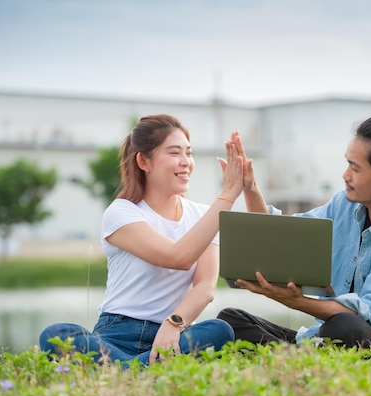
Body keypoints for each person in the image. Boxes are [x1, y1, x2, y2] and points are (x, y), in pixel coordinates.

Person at [217, 114, 371, 352]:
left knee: (344, 326)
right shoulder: (344, 205)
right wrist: (250, 187)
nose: (345, 175)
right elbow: (282, 237)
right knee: (231, 321)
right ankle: (299, 355)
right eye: (347, 164)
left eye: (355, 168)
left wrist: (296, 302)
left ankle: (293, 356)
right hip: (325, 336)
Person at [40, 114, 244, 366]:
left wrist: (173, 324)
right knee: (55, 336)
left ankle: (123, 371)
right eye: (174, 153)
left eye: (188, 153)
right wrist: (227, 196)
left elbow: (205, 288)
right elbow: (177, 257)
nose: (186, 162)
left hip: (171, 335)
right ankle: (142, 369)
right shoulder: (122, 212)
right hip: (115, 336)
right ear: (143, 161)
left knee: (220, 330)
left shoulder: (204, 216)